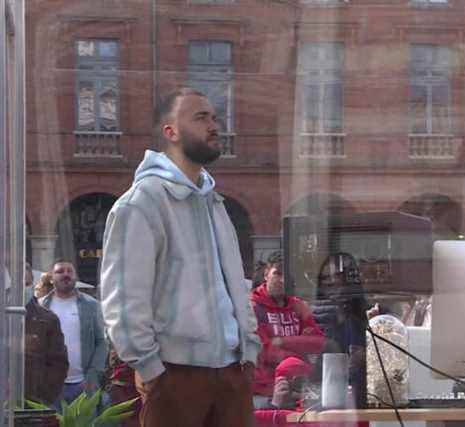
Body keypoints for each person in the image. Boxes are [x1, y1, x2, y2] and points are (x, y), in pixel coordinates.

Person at [99, 87, 260, 427]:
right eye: (200, 117)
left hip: (232, 372)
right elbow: (124, 297)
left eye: (214, 117)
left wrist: (249, 348)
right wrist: (149, 366)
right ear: (170, 131)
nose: (214, 125)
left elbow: (234, 282)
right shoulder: (141, 204)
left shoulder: (214, 204)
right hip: (176, 376)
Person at [251, 251, 326, 404]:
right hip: (264, 392)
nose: (282, 280)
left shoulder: (299, 306)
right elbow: (265, 350)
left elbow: (317, 343)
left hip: (299, 390)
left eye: (287, 276)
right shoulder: (252, 306)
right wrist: (300, 352)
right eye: (277, 273)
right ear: (266, 274)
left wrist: (285, 344)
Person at [40, 260, 106, 403]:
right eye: (60, 271)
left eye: (70, 271)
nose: (66, 274)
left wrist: (93, 375)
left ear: (75, 276)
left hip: (84, 385)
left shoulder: (92, 305)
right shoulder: (41, 306)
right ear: (51, 278)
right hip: (51, 387)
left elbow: (102, 342)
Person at [311, 252, 368, 408]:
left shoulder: (367, 316)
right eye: (326, 279)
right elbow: (312, 367)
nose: (332, 282)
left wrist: (367, 354)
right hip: (328, 396)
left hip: (363, 395)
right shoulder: (315, 317)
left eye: (338, 277)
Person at [23, 261, 69, 406]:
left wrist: (44, 397)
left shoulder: (48, 319)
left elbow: (59, 363)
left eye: (26, 284)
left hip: (34, 401)